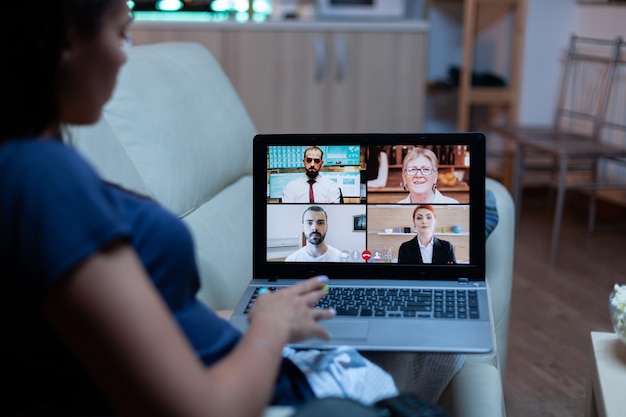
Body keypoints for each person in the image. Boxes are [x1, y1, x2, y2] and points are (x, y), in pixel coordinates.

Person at [0, 2, 405, 415]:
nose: (126, 52)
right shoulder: (42, 177)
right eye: (121, 32)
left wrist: (255, 314)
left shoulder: (37, 163)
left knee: (439, 309)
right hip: (280, 393)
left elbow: (150, 322)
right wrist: (269, 327)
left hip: (256, 355)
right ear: (69, 40)